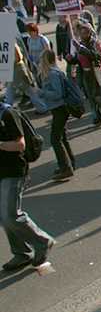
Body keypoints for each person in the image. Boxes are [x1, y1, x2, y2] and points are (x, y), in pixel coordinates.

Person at [0, 100, 56, 271]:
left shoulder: (7, 113)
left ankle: (42, 241)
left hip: (13, 171)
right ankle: (21, 253)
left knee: (11, 215)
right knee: (4, 216)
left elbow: (20, 145)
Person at [36, 49, 76, 181]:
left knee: (55, 139)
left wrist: (42, 93)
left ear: (46, 60)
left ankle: (66, 168)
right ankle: (69, 164)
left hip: (60, 108)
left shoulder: (53, 74)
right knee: (62, 137)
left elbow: (58, 94)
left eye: (41, 59)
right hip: (59, 108)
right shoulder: (54, 72)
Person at [71, 21, 101, 127]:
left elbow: (96, 56)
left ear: (89, 33)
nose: (83, 35)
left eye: (85, 33)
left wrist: (81, 49)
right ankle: (96, 117)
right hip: (85, 73)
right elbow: (78, 60)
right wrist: (70, 59)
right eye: (81, 33)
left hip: (95, 72)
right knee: (90, 97)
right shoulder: (80, 44)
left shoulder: (95, 43)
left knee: (98, 97)